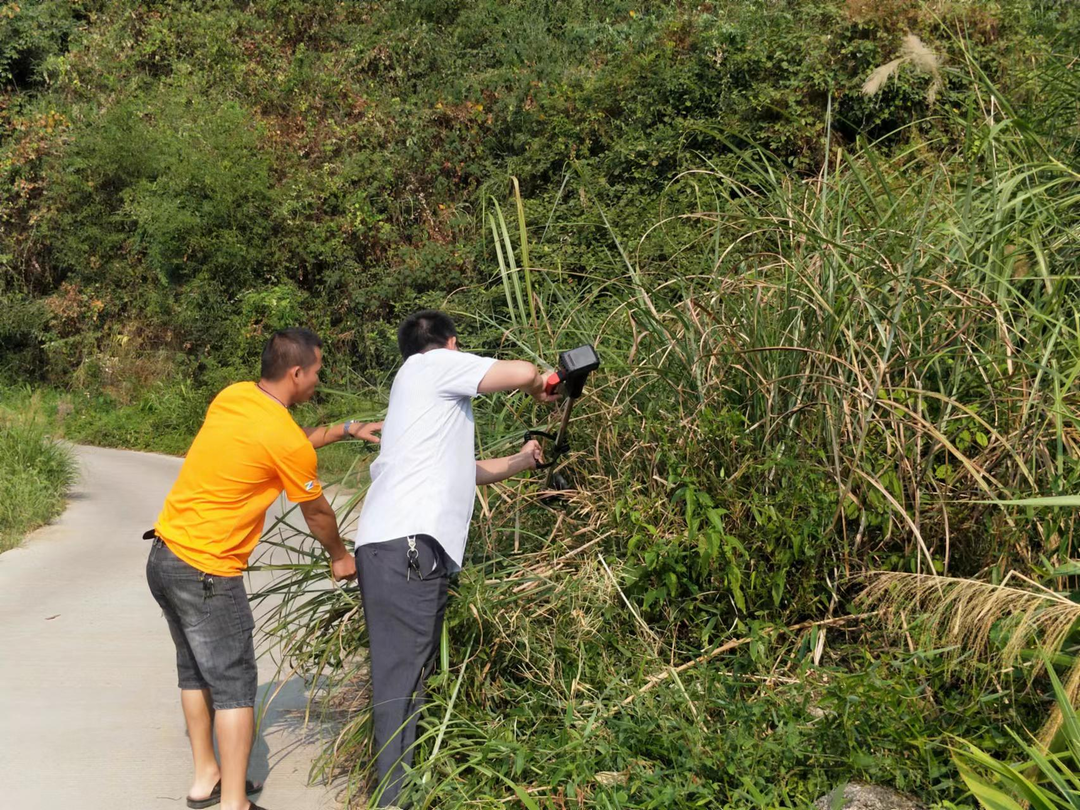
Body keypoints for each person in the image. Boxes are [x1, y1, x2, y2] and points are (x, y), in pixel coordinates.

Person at [146, 327, 381, 810]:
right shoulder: (282, 438)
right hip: (209, 571)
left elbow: (288, 442)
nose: (318, 379)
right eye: (316, 371)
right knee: (234, 687)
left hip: (165, 556)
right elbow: (317, 512)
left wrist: (345, 428)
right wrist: (340, 556)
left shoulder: (234, 396)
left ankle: (206, 778)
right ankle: (234, 802)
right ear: (296, 373)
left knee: (194, 673)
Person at [353, 310, 559, 807]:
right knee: (401, 683)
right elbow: (523, 372)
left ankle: (398, 793)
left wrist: (523, 460)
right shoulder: (432, 365)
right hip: (407, 549)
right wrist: (540, 385)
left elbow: (464, 471)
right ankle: (392, 801)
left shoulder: (413, 394)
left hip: (391, 548)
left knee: (404, 679)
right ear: (452, 344)